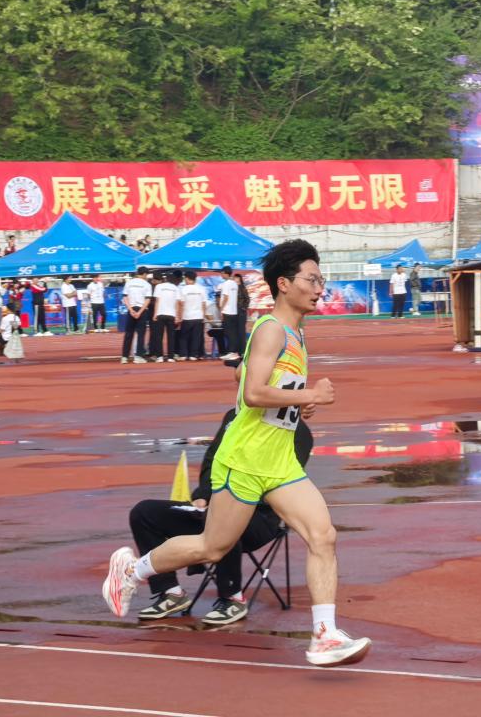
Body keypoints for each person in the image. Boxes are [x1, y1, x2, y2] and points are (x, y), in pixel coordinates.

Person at [102, 239, 372, 667]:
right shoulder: (270, 329)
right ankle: (132, 572)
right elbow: (252, 393)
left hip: (279, 461)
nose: (320, 288)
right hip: (244, 459)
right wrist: (309, 394)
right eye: (312, 279)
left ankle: (324, 635)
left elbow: (261, 387)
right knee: (212, 547)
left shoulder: (295, 333)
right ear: (284, 284)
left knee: (323, 536)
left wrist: (299, 403)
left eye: (322, 280)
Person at [130, 407, 312, 625]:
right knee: (143, 513)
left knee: (225, 517)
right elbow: (212, 459)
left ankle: (233, 598)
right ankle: (170, 592)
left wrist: (230, 500)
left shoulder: (298, 432)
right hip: (214, 506)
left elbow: (281, 483)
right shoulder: (234, 416)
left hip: (260, 517)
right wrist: (203, 496)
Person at [120, 266, 152, 364]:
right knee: (141, 334)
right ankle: (138, 356)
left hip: (131, 309)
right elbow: (147, 300)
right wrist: (140, 312)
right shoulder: (147, 284)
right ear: (144, 274)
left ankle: (124, 357)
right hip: (142, 310)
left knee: (128, 334)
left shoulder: (129, 283)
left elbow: (125, 297)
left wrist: (130, 310)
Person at [176, 270, 206, 361]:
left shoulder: (183, 289)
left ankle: (183, 355)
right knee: (196, 337)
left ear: (187, 278)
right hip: (198, 316)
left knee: (184, 337)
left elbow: (181, 304)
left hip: (187, 316)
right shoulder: (201, 289)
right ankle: (193, 355)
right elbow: (204, 304)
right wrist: (203, 316)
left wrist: (179, 316)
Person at [151, 272, 179, 362]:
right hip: (171, 314)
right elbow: (177, 303)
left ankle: (159, 356)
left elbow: (157, 301)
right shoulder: (175, 288)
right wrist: (177, 316)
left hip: (160, 313)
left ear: (165, 279)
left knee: (159, 336)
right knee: (171, 336)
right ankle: (171, 357)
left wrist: (155, 314)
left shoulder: (159, 286)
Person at [218, 267, 241, 361]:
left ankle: (232, 352)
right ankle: (233, 352)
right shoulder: (234, 284)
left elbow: (226, 297)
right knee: (232, 333)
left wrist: (221, 310)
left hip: (227, 311)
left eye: (222, 273)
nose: (221, 275)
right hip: (233, 311)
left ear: (226, 273)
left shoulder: (226, 284)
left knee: (228, 333)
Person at [234, 273, 250, 357]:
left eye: (236, 278)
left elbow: (247, 299)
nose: (235, 279)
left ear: (239, 279)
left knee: (241, 332)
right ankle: (237, 351)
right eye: (234, 278)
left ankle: (243, 351)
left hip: (241, 312)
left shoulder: (243, 288)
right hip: (234, 312)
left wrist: (243, 308)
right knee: (236, 332)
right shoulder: (233, 288)